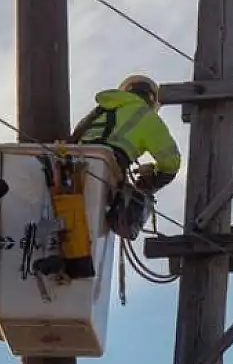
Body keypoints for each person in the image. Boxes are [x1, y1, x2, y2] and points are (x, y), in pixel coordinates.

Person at [69, 73, 182, 240]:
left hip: (72, 162)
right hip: (108, 171)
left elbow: (75, 138)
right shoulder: (146, 117)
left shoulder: (102, 109)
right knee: (90, 233)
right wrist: (150, 178)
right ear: (151, 100)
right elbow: (172, 163)